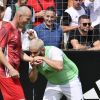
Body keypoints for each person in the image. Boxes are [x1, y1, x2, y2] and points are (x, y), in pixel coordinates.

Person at [0, 6, 34, 100]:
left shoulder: (18, 31)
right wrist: (10, 68)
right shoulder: (6, 28)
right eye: (27, 19)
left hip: (12, 74)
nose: (28, 22)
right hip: (6, 73)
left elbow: (19, 53)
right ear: (19, 16)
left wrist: (32, 59)